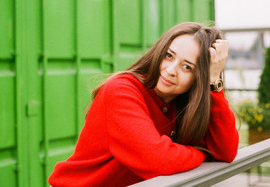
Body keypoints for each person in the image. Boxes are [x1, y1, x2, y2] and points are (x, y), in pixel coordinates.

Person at [48, 22, 239, 187]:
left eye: (187, 67)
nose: (171, 70)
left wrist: (214, 83)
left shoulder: (182, 104)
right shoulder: (121, 91)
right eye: (169, 56)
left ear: (199, 78)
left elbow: (226, 151)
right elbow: (157, 159)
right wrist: (201, 154)